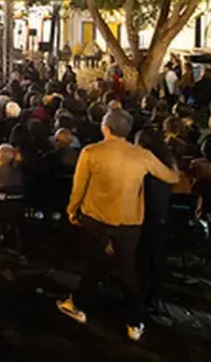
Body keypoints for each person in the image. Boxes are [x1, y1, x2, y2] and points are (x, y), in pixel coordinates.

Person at [58, 109, 179, 342]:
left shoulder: (91, 152)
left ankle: (79, 306)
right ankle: (134, 321)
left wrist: (72, 210)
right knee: (128, 270)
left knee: (93, 266)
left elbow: (79, 187)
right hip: (130, 222)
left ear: (105, 128)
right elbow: (171, 177)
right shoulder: (142, 155)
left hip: (95, 218)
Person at [134, 128, 173, 313]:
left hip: (144, 215)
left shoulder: (143, 164)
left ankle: (140, 297)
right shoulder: (167, 163)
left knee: (142, 258)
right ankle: (152, 297)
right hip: (161, 218)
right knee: (155, 259)